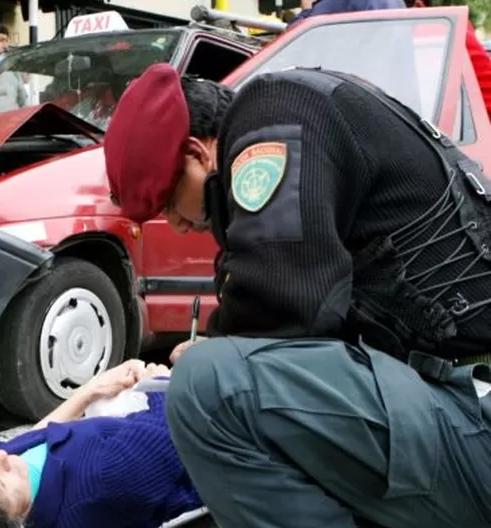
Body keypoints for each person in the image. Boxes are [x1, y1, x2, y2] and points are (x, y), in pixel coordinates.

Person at [103, 63, 491, 527]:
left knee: (210, 387)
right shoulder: (300, 112)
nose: (179, 225)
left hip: (474, 415)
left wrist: (216, 345)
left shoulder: (273, 113)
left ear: (197, 152)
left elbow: (287, 307)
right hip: (458, 411)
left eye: (168, 202)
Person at [0, 360, 204, 528]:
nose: (1, 455)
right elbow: (175, 428)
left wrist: (89, 393)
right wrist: (160, 382)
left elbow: (33, 441)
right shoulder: (101, 479)